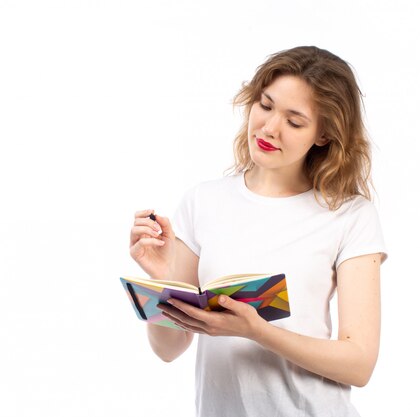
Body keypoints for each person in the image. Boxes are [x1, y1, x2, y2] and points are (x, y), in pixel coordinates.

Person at [128, 45, 388, 417]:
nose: (269, 128)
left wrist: (257, 331)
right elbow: (168, 349)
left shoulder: (349, 215)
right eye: (265, 106)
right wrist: (162, 285)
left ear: (324, 135)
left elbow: (359, 363)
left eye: (294, 121)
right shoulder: (204, 202)